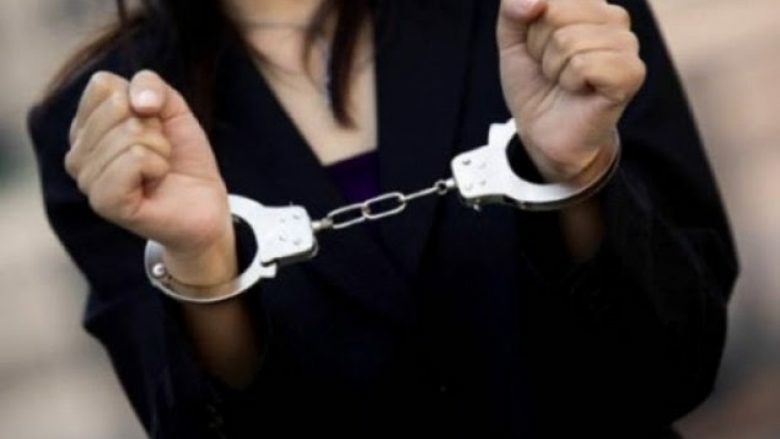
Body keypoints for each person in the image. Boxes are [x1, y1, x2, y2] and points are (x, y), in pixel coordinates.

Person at [27, 0, 738, 437]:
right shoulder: (113, 130)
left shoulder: (550, 15)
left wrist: (576, 176)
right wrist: (203, 264)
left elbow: (678, 364)